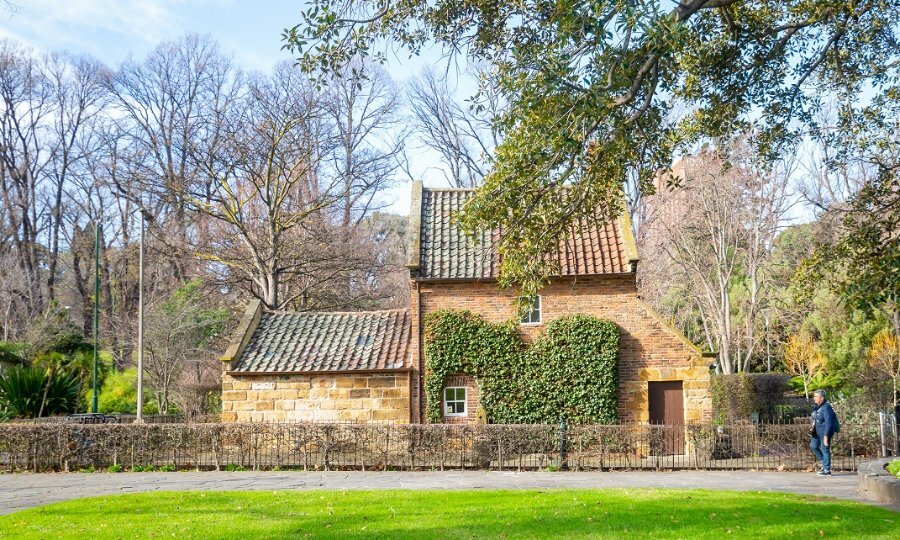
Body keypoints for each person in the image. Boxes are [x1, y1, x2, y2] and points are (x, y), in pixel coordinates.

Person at [810, 389, 838, 476]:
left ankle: (827, 470)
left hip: (825, 432)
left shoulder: (826, 407)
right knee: (813, 446)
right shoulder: (817, 406)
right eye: (814, 396)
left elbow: (829, 422)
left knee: (825, 449)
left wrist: (826, 436)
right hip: (817, 432)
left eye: (816, 396)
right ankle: (823, 463)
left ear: (821, 398)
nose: (814, 398)